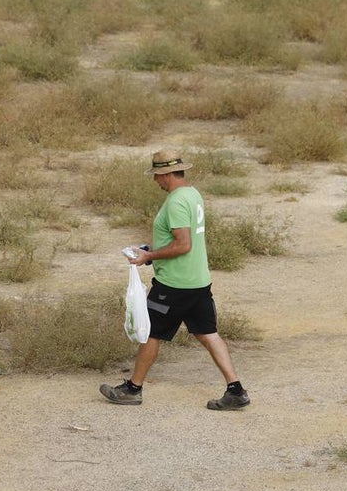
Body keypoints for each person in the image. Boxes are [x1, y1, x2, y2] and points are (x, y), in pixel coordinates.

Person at [100, 149, 250, 411]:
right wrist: (152, 249)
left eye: (157, 176)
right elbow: (181, 240)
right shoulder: (193, 195)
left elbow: (183, 245)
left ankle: (133, 389)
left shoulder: (176, 202)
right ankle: (235, 390)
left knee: (152, 333)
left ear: (166, 174)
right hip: (198, 281)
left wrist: (150, 256)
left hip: (174, 285)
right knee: (208, 334)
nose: (155, 181)